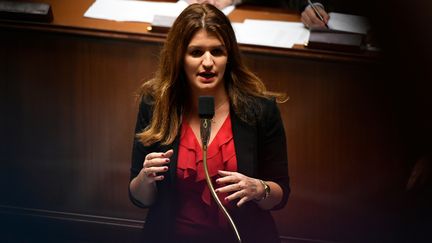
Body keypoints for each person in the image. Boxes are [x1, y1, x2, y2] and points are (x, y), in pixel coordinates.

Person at [128, 3, 290, 243]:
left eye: (217, 52)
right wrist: (146, 177)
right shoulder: (155, 105)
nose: (207, 62)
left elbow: (281, 195)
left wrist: (259, 189)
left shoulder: (260, 110)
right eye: (196, 52)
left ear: (229, 57)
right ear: (179, 57)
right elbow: (140, 198)